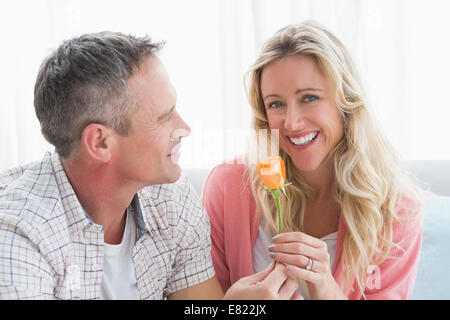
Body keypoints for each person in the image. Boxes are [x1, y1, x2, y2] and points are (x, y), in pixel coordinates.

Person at [0, 31, 301, 300]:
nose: (184, 128)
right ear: (101, 142)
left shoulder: (171, 199)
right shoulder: (19, 236)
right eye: (164, 117)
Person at [202, 21, 423, 300]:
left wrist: (327, 290)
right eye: (276, 104)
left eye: (309, 98)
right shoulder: (228, 186)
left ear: (347, 102)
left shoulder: (395, 208)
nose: (292, 123)